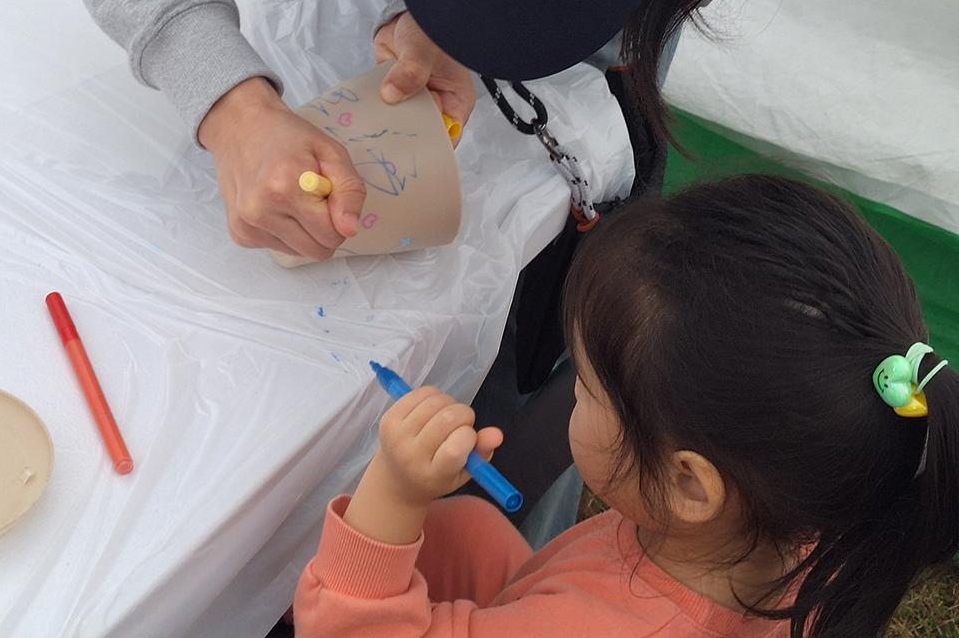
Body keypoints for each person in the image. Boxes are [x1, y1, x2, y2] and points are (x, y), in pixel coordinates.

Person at [43, 0, 852, 261]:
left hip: (569, 57)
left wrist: (465, 17)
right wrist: (230, 104)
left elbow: (654, 0)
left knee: (528, 306)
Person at [292, 175, 958, 637]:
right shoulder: (814, 512)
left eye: (583, 387)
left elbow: (342, 631)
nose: (573, 396)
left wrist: (394, 493)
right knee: (467, 531)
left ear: (687, 482)